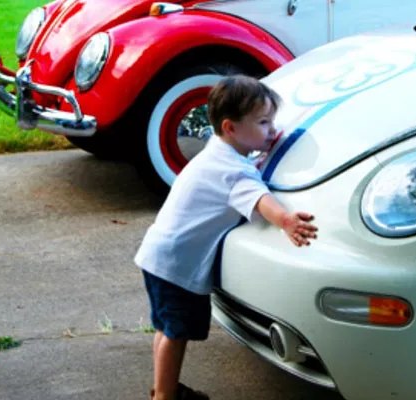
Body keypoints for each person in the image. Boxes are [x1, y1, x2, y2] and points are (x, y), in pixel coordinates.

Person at [134, 74, 319, 400]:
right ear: (231, 128)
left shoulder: (217, 151)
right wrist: (287, 220)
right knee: (177, 334)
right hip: (177, 266)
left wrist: (260, 145)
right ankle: (165, 395)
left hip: (157, 255)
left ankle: (164, 387)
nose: (271, 129)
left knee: (165, 329)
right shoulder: (234, 170)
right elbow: (260, 200)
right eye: (263, 123)